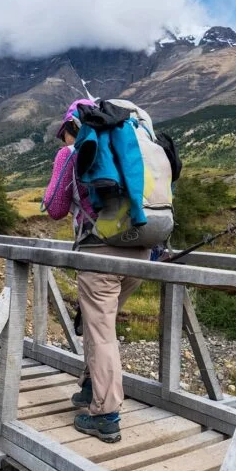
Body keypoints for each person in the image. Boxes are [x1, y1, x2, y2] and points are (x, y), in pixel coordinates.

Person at [42, 100, 151, 443]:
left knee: (101, 332)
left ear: (73, 126)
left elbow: (56, 209)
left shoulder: (71, 153)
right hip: (141, 250)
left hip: (100, 251)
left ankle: (105, 415)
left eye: (64, 131)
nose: (63, 138)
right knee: (100, 324)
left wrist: (63, 164)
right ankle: (91, 387)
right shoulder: (133, 143)